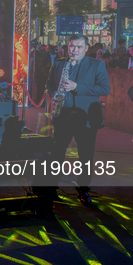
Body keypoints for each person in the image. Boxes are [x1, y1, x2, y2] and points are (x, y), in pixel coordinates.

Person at [37, 34, 110, 205]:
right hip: (63, 115)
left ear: (86, 48)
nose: (74, 50)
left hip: (85, 118)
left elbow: (105, 89)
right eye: (72, 46)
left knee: (85, 155)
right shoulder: (59, 63)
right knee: (56, 154)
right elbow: (49, 84)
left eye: (78, 47)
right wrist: (54, 94)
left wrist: (77, 87)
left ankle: (83, 189)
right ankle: (51, 188)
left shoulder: (97, 64)